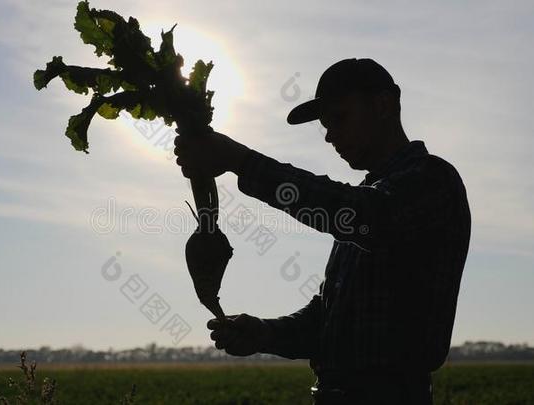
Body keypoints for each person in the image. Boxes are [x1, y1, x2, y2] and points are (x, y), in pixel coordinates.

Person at [173, 58, 471, 405]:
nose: (329, 136)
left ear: (384, 105)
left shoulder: (431, 181)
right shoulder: (369, 200)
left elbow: (363, 214)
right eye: (325, 126)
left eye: (339, 119)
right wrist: (266, 333)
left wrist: (239, 160)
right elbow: (329, 319)